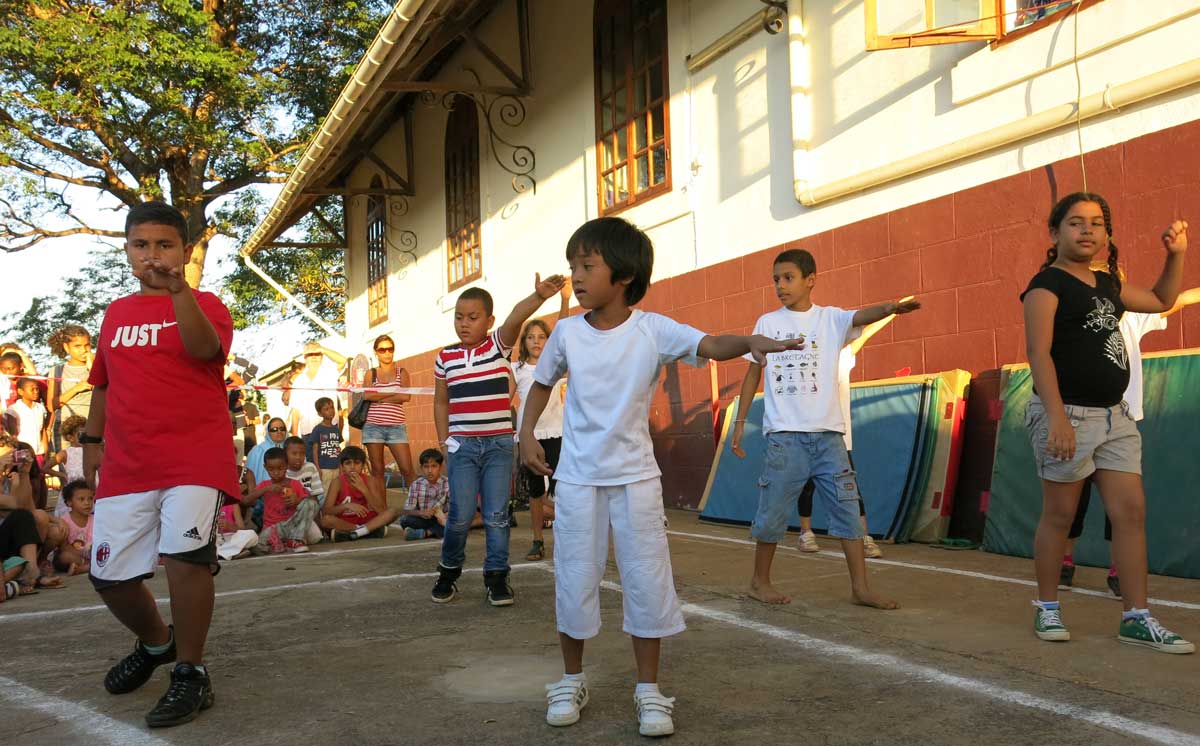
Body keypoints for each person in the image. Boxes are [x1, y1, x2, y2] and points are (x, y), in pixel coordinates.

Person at [519, 217, 803, 737]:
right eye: (573, 267)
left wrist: (751, 342)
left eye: (587, 266)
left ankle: (648, 690)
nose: (577, 277)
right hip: (579, 478)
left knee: (646, 580)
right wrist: (526, 435)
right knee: (574, 577)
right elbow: (541, 384)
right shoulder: (565, 333)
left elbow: (712, 343)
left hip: (635, 480)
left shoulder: (653, 329)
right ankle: (571, 679)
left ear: (623, 274)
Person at [82, 201, 241, 727]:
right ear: (127, 250)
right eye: (141, 245)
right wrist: (91, 443)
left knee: (186, 556)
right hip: (129, 462)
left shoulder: (206, 303)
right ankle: (156, 644)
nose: (152, 255)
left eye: (164, 244)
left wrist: (179, 293)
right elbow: (102, 383)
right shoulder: (116, 312)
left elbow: (203, 350)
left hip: (194, 454)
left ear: (185, 251)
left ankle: (191, 672)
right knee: (108, 575)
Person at [1021, 192, 1192, 653]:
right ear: (1055, 233)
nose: (1087, 231)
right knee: (1059, 515)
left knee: (1131, 513)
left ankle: (1137, 616)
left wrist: (1174, 255)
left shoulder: (1107, 285)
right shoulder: (1046, 286)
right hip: (1069, 414)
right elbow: (1038, 353)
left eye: (1097, 223)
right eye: (1076, 223)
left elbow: (1161, 298)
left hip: (1115, 416)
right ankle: (1047, 606)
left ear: (1107, 235)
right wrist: (1056, 417)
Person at [731, 249, 918, 609]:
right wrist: (740, 422)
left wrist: (891, 307)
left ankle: (860, 588)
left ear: (810, 279)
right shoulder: (767, 323)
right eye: (776, 279)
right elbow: (753, 371)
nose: (780, 286)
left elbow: (863, 314)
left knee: (848, 510)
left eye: (788, 278)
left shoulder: (831, 320)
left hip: (830, 437)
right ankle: (759, 582)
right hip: (785, 438)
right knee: (772, 511)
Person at [430, 272, 567, 608]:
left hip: (498, 446)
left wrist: (539, 297)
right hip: (461, 447)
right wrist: (444, 442)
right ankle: (448, 572)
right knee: (461, 514)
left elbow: (516, 317)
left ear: (488, 320)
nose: (464, 324)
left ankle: (496, 577)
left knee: (496, 514)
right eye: (459, 318)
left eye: (473, 318)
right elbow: (440, 401)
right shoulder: (444, 357)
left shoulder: (497, 346)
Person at [1060, 283, 1200, 596]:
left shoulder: (1134, 317)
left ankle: (1118, 571)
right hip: (1081, 418)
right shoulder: (1076, 316)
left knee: (1122, 503)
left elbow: (1176, 300)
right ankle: (1064, 562)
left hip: (1122, 421)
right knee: (1073, 498)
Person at [794, 310, 903, 558]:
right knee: (807, 486)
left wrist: (892, 312)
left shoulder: (844, 355)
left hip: (840, 437)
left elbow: (868, 330)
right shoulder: (810, 355)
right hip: (809, 432)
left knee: (850, 489)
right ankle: (805, 534)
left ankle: (863, 538)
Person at [512, 283, 570, 562]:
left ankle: (568, 537)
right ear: (523, 342)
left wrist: (565, 299)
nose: (536, 341)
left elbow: (563, 330)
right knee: (536, 492)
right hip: (530, 437)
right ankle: (537, 540)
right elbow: (504, 401)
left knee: (563, 488)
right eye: (530, 337)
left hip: (557, 432)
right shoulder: (517, 369)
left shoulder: (556, 365)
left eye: (541, 337)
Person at [362, 334, 417, 492]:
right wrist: (393, 392)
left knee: (407, 469)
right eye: (382, 350)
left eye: (390, 349)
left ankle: (419, 507)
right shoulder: (370, 373)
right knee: (377, 471)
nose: (386, 353)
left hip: (396, 427)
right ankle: (381, 511)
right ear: (376, 352)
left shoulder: (402, 372)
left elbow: (405, 396)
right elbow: (367, 395)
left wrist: (378, 397)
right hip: (373, 426)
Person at [248, 447, 318, 555]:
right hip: (273, 528)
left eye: (280, 468)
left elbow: (309, 504)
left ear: (287, 466)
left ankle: (293, 540)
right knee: (257, 545)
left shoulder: (295, 484)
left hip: (294, 526)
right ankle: (291, 541)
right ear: (265, 467)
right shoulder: (264, 485)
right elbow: (247, 500)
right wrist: (266, 489)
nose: (276, 472)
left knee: (316, 532)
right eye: (271, 469)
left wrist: (297, 501)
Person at [319, 445, 398, 541]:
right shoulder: (337, 482)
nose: (352, 467)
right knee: (325, 520)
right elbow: (326, 511)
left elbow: (381, 510)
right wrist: (347, 506)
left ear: (363, 465)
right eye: (348, 463)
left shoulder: (370, 481)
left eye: (357, 463)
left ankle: (353, 534)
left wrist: (364, 489)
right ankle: (365, 532)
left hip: (369, 519)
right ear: (342, 466)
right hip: (346, 522)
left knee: (393, 512)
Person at [46, 325, 93, 454]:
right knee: (68, 471)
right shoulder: (57, 371)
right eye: (77, 346)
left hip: (93, 427)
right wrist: (77, 388)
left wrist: (94, 368)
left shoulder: (98, 367)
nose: (83, 350)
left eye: (87, 345)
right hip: (66, 431)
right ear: (67, 347)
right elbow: (51, 406)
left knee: (94, 471)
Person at [288, 343, 343, 439]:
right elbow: (295, 410)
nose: (314, 357)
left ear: (322, 356)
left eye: (317, 353)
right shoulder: (298, 380)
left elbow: (342, 361)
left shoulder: (330, 372)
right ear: (305, 357)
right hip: (307, 431)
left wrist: (323, 349)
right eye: (310, 354)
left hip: (329, 429)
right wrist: (295, 435)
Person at [400, 448, 449, 540]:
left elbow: (454, 507)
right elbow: (407, 510)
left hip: (442, 519)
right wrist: (420, 512)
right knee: (405, 520)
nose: (430, 470)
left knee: (455, 523)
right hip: (423, 519)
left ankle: (426, 533)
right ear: (421, 468)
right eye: (426, 466)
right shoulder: (416, 485)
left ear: (440, 467)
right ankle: (436, 531)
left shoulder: (448, 483)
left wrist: (445, 516)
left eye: (434, 466)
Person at [52, 479, 93, 575]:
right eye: (81, 499)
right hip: (75, 556)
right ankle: (88, 566)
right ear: (69, 502)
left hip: (92, 555)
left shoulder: (96, 519)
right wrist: (85, 554)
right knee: (64, 557)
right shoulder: (65, 521)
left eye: (90, 498)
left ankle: (81, 569)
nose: (87, 503)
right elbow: (64, 547)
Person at [50, 415, 88, 515]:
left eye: (86, 434)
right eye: (80, 434)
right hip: (73, 490)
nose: (84, 437)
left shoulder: (90, 450)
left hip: (88, 490)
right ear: (70, 437)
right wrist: (62, 475)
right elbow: (45, 468)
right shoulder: (65, 453)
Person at [306, 397, 343, 494]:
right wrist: (317, 467)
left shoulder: (336, 429)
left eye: (332, 407)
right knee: (325, 493)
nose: (330, 411)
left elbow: (337, 448)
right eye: (326, 409)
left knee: (336, 492)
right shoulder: (318, 429)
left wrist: (340, 466)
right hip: (324, 468)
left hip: (336, 467)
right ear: (320, 413)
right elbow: (315, 450)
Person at [10, 379, 48, 467]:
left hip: (38, 451)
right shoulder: (13, 410)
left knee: (39, 477)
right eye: (32, 389)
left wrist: (46, 450)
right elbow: (12, 436)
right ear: (20, 391)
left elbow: (43, 430)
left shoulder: (40, 408)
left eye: (37, 389)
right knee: (25, 477)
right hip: (22, 453)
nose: (36, 392)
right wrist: (17, 454)